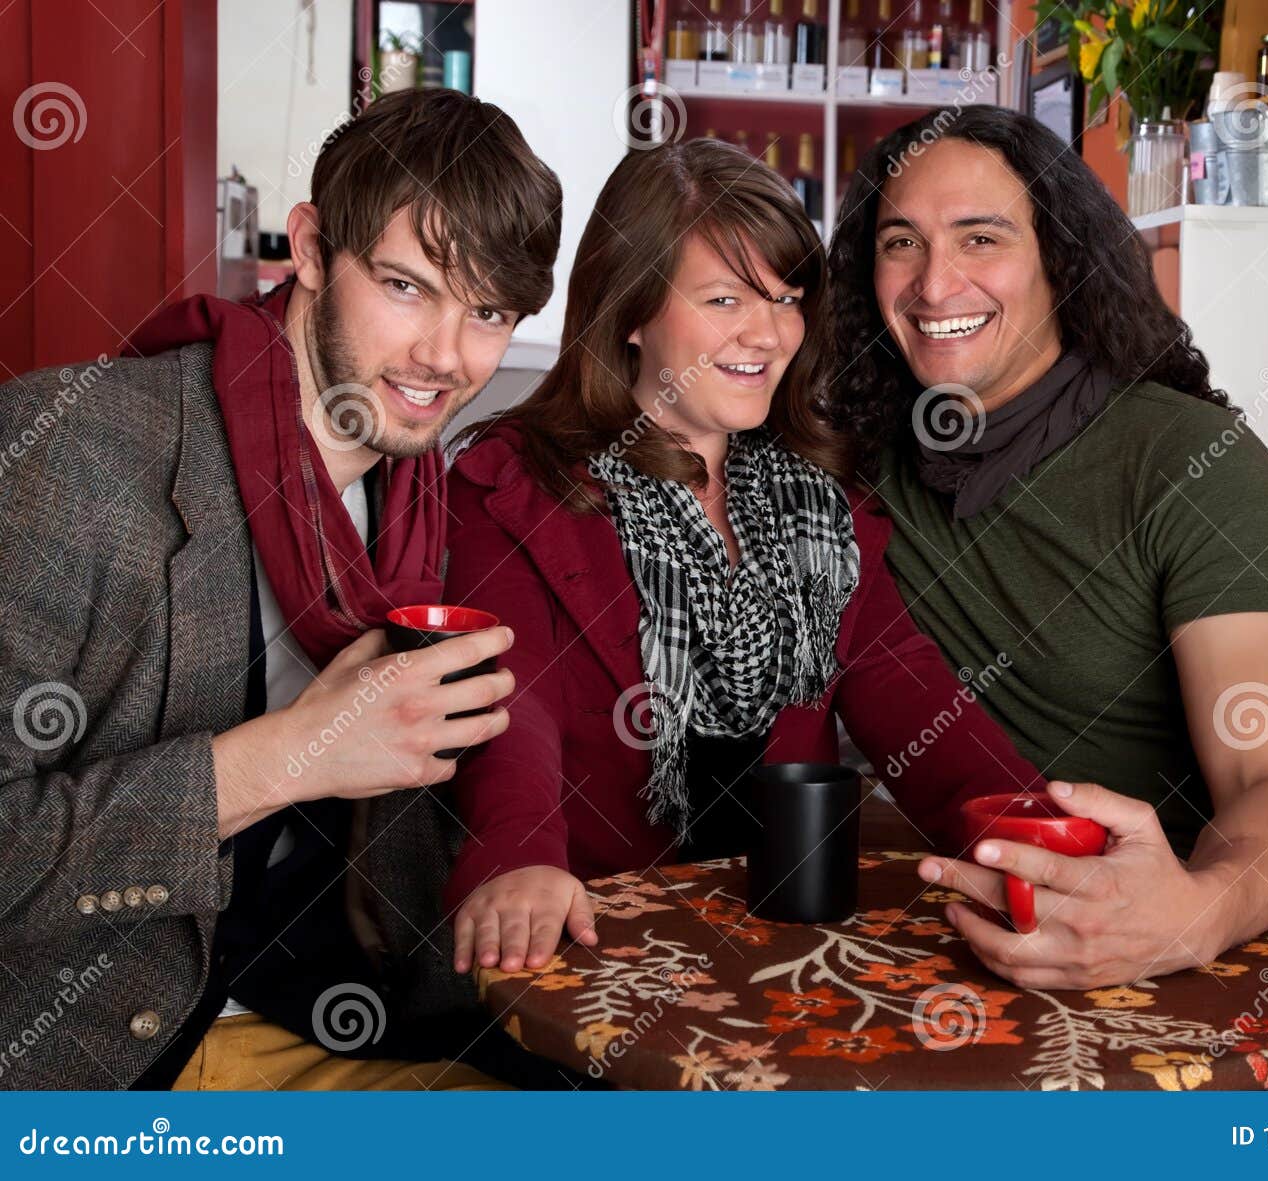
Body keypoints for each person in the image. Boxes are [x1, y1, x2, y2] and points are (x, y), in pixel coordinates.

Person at [822, 105, 1268, 1090]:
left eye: (980, 238)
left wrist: (1190, 909)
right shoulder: (865, 473)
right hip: (1045, 966)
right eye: (899, 243)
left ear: (1060, 262)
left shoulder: (1186, 463)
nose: (934, 283)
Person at [0, 88, 565, 1090]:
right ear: (308, 249)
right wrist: (289, 757)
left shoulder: (424, 495)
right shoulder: (71, 454)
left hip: (334, 1011)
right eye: (405, 285)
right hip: (96, 1053)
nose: (445, 355)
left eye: (488, 311)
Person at [440, 138, 1046, 976]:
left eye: (788, 297)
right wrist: (519, 857)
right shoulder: (513, 482)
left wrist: (1033, 837)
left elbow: (909, 694)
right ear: (630, 309)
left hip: (786, 945)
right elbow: (516, 704)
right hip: (586, 944)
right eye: (725, 298)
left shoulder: (824, 496)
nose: (768, 333)